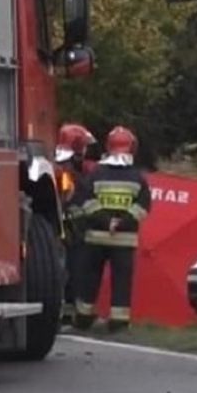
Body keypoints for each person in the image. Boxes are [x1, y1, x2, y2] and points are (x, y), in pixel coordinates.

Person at [70, 126, 152, 332]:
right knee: (122, 282)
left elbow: (86, 202)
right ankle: (118, 322)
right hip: (124, 240)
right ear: (132, 148)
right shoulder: (137, 177)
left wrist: (105, 222)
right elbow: (143, 207)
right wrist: (121, 223)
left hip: (96, 237)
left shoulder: (96, 173)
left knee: (89, 279)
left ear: (109, 146)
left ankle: (83, 318)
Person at [55, 123, 97, 324]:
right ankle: (70, 314)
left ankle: (68, 313)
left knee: (72, 272)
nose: (86, 151)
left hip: (71, 229)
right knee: (73, 271)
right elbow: (67, 200)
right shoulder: (66, 171)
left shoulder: (65, 166)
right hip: (70, 230)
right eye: (84, 147)